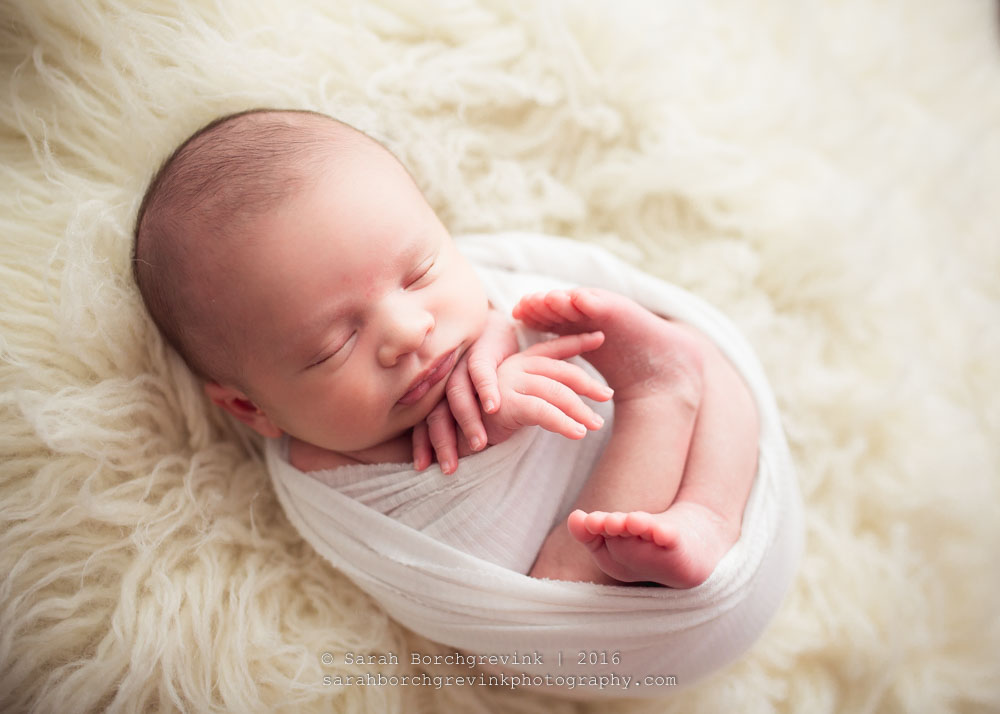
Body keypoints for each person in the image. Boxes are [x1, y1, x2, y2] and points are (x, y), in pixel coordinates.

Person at [132, 108, 760, 589]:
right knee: (560, 585)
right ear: (252, 410)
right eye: (333, 345)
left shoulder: (478, 292)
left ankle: (707, 506)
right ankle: (660, 395)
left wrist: (502, 330)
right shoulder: (330, 475)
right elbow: (481, 554)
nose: (409, 330)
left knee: (709, 364)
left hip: (722, 499)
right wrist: (497, 419)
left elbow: (516, 307)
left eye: (421, 273)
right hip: (602, 624)